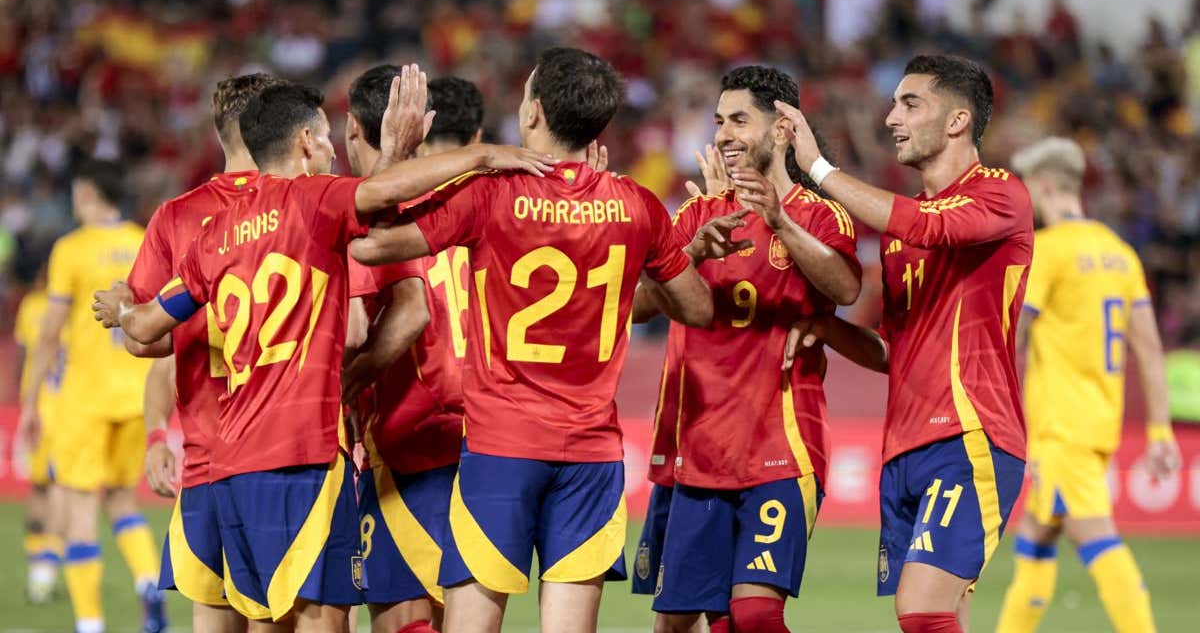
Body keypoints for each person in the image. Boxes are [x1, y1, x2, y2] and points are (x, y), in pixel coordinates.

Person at [92, 70, 555, 631]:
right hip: (302, 452)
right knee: (320, 620)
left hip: (225, 460)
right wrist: (483, 157)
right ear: (306, 142)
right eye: (327, 138)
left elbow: (144, 331)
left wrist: (119, 310)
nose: (335, 149)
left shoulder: (208, 235)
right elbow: (382, 195)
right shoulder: (311, 202)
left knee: (253, 618)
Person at [348, 47, 714, 633]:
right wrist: (637, 261)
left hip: (501, 447)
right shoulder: (637, 206)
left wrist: (396, 154)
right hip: (592, 454)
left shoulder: (488, 194)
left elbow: (366, 244)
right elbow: (696, 308)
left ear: (535, 112)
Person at [776, 54, 1033, 633]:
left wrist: (815, 166)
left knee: (922, 610)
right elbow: (895, 351)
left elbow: (929, 227)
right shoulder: (902, 235)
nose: (892, 117)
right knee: (940, 614)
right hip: (906, 448)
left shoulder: (1000, 194)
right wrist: (830, 329)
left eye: (909, 103)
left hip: (971, 435)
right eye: (894, 103)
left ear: (957, 121)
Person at [634, 65, 861, 633]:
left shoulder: (819, 215)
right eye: (718, 122)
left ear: (783, 128)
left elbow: (846, 288)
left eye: (740, 119)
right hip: (700, 449)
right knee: (684, 622)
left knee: (756, 614)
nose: (724, 134)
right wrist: (688, 255)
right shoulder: (695, 216)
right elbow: (631, 308)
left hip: (781, 443)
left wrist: (779, 221)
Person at [995, 137, 1180, 633]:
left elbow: (1014, 336)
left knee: (1097, 539)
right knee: (1034, 543)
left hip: (1060, 428)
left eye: (1029, 191)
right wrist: (1160, 433)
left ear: (1049, 187)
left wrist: (1002, 412)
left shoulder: (1050, 251)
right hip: (1097, 425)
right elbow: (1148, 348)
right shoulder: (1119, 253)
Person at [125, 72, 285, 633]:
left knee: (210, 618)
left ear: (219, 134)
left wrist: (154, 437)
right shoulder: (303, 206)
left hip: (207, 459)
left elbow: (149, 339)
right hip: (285, 462)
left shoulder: (176, 216)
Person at [340, 68, 482, 633]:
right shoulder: (469, 205)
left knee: (402, 618)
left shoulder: (367, 218)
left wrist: (348, 378)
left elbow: (362, 325)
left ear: (352, 127)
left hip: (407, 439)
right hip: (484, 439)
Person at [20, 161, 163, 633]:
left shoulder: (71, 249)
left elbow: (48, 336)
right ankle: (148, 582)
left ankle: (89, 624)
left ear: (86, 192)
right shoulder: (143, 239)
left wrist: (29, 404)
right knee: (123, 503)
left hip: (85, 399)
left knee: (80, 509)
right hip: (134, 393)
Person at [14, 268, 65, 604]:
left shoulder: (32, 306)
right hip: (62, 411)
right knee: (59, 489)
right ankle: (44, 569)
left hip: (41, 409)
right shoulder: (69, 308)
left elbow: (22, 354)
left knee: (43, 489)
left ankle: (41, 570)